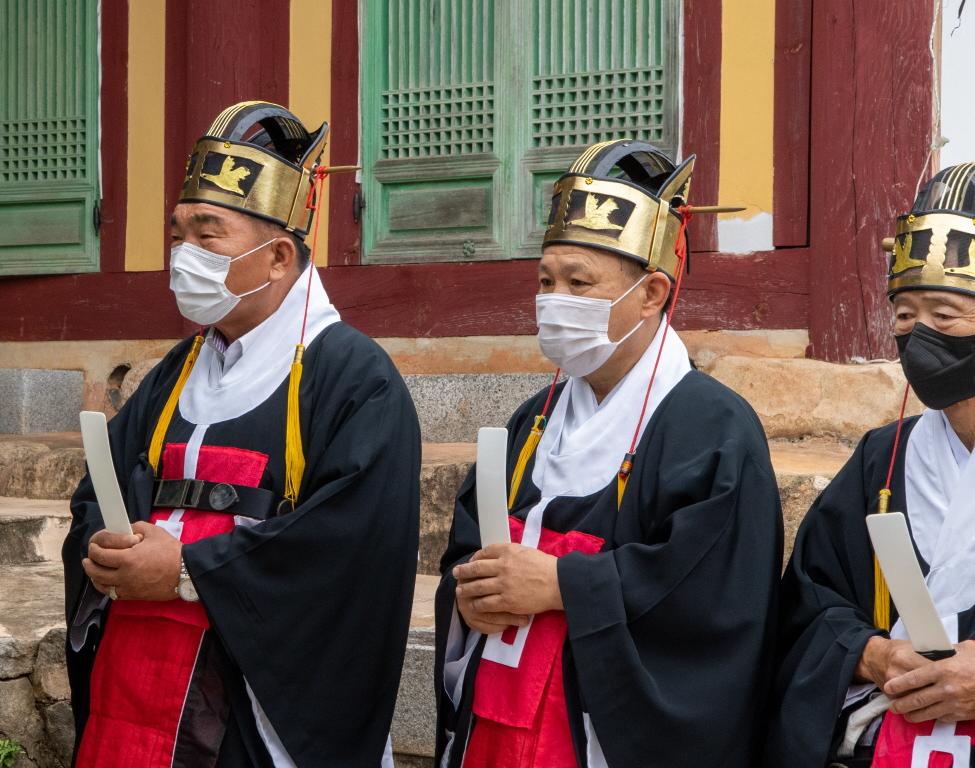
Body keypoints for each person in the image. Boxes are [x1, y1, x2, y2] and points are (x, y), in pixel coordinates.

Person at [62, 101, 420, 767]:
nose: (183, 255)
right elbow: (97, 492)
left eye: (207, 234)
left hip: (251, 718)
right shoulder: (177, 372)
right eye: (178, 234)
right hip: (136, 686)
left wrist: (192, 571)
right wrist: (106, 547)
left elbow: (353, 552)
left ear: (278, 256)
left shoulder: (354, 380)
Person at [432, 139, 784, 767]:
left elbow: (717, 603)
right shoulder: (532, 419)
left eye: (579, 283)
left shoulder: (714, 429)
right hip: (498, 714)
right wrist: (471, 591)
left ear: (651, 293)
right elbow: (468, 548)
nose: (553, 299)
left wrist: (563, 583)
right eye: (546, 280)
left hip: (597, 731)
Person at [768, 162, 975, 767]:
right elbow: (808, 602)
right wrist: (872, 655)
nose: (917, 336)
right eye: (905, 316)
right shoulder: (883, 457)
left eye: (945, 315)